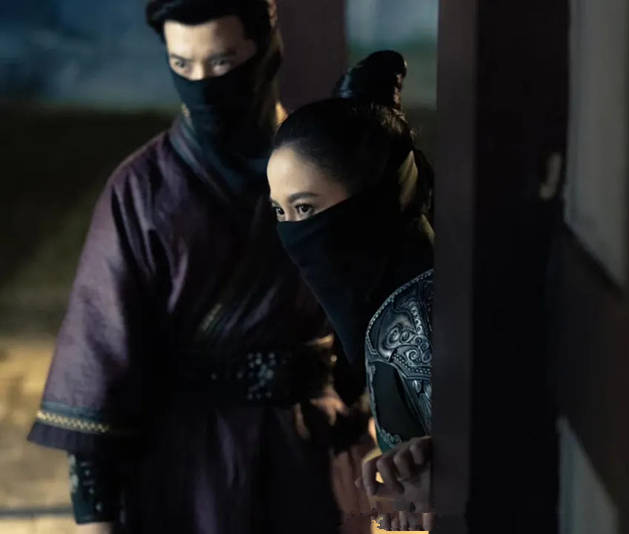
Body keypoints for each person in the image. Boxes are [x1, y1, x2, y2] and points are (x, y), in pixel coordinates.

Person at [27, 1, 371, 532]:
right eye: (182, 65)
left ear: (265, 49)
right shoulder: (142, 190)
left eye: (222, 62)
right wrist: (97, 520)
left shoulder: (326, 173)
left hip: (312, 456)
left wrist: (370, 433)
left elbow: (368, 321)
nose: (203, 84)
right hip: (187, 470)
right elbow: (99, 368)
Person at [268, 51, 435, 531]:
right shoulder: (386, 309)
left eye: (305, 208)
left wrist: (446, 480)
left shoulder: (423, 313)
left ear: (372, 201)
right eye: (280, 212)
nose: (294, 233)